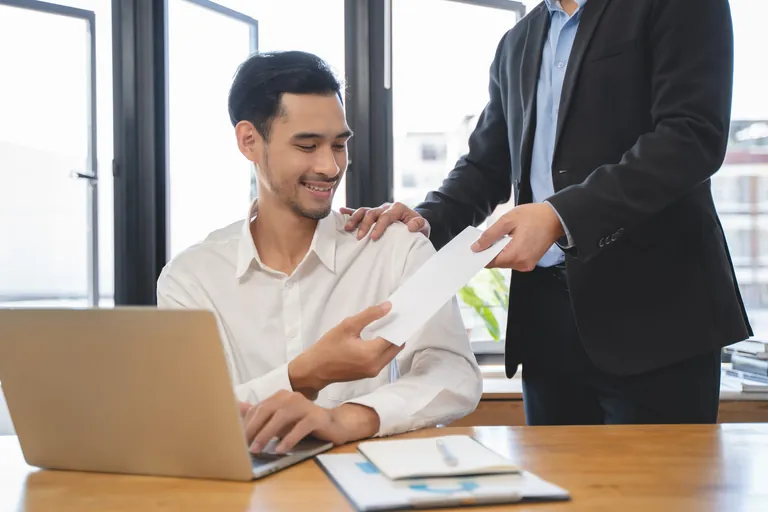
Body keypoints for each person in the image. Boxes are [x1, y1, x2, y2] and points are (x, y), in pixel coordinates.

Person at [343, 0, 751, 425]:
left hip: (656, 319)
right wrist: (425, 220)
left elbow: (690, 137)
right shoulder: (517, 42)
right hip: (545, 327)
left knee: (659, 490)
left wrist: (560, 215)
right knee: (553, 487)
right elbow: (486, 167)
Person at [156, 50, 481, 454]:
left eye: (339, 145)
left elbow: (453, 372)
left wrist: (345, 418)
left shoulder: (395, 248)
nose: (330, 166)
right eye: (308, 145)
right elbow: (195, 416)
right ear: (249, 141)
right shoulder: (190, 279)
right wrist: (306, 373)